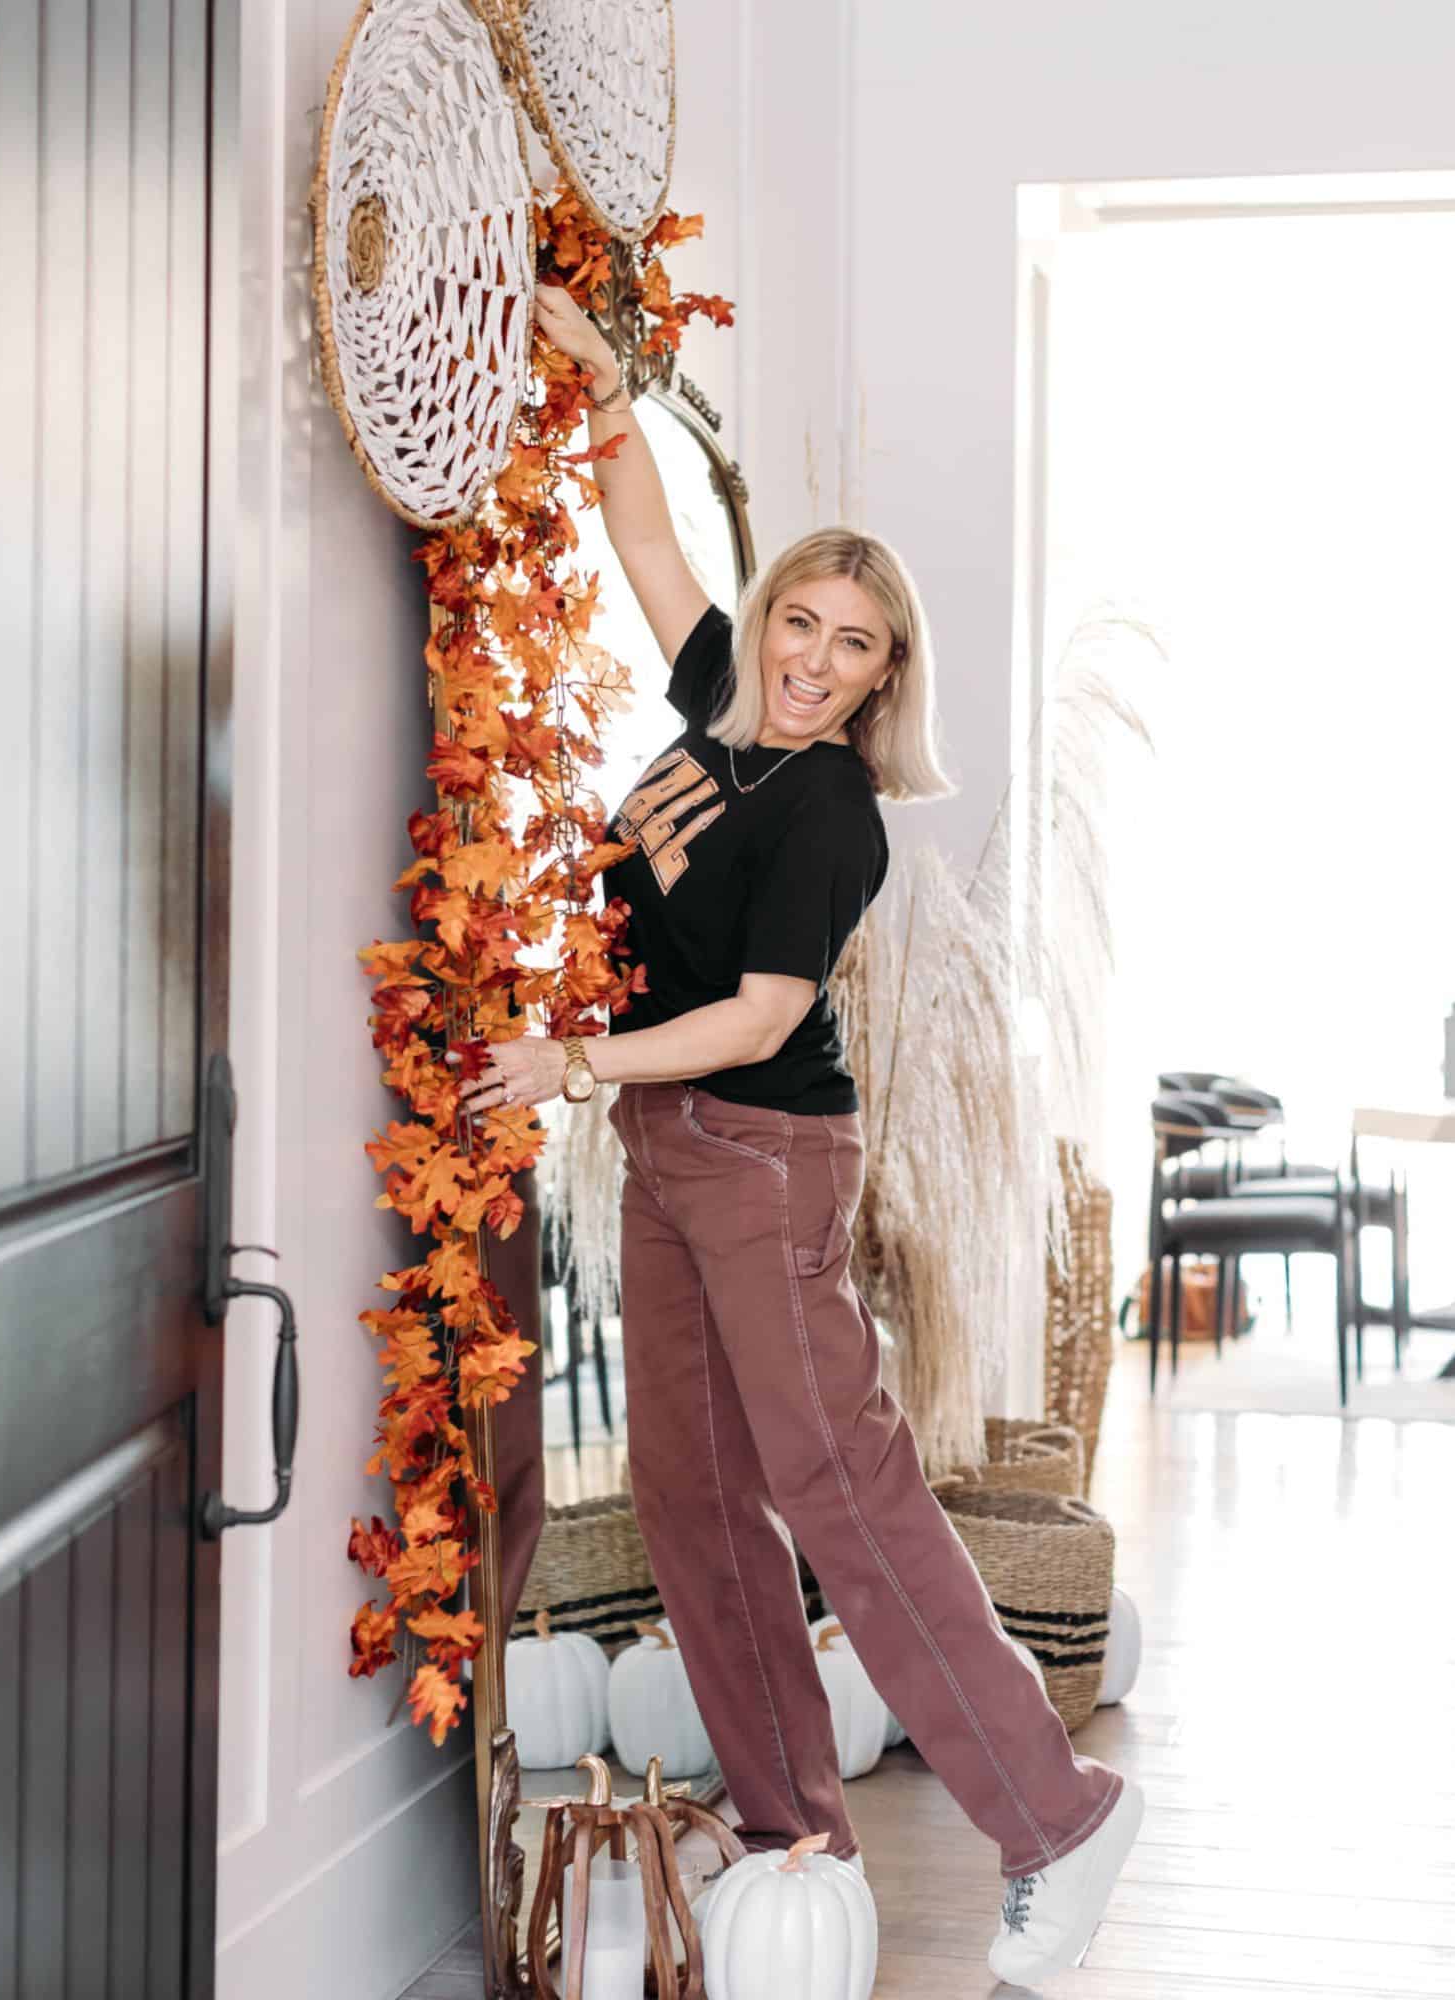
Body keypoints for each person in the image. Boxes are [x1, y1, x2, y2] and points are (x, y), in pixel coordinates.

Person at [453, 283, 1144, 1990]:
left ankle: (1056, 1817)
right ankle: (794, 1834)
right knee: (690, 1493)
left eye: (855, 645)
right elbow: (647, 542)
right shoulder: (723, 703)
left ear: (884, 676)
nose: (814, 659)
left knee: (841, 1489)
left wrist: (569, 1062)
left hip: (762, 1158)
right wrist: (605, 382)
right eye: (804, 625)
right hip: (675, 1148)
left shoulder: (836, 812)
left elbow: (764, 1019)